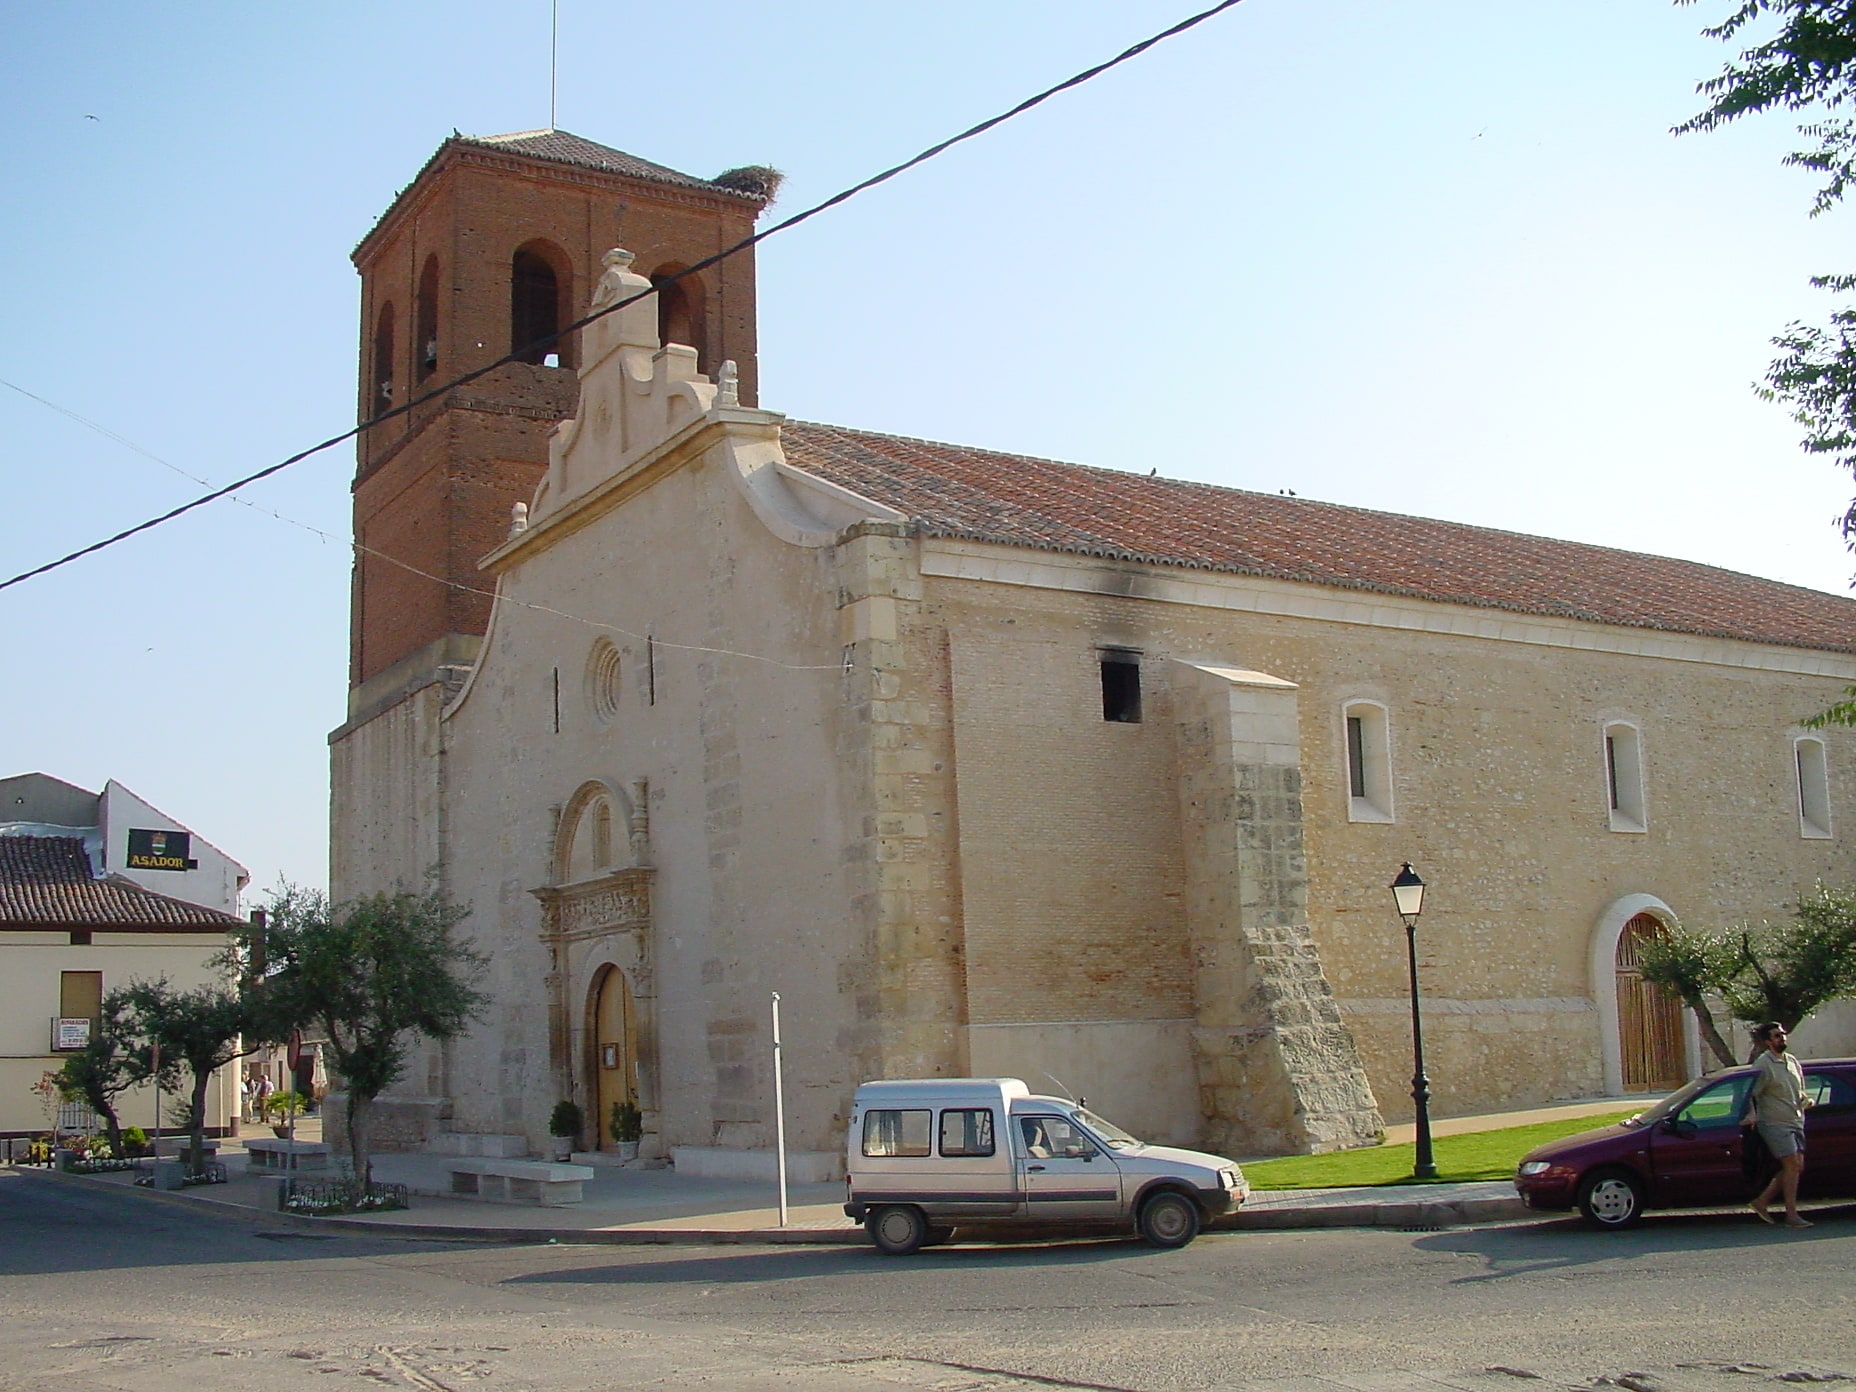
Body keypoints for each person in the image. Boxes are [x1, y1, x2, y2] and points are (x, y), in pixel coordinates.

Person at [1740, 1022, 1813, 1228]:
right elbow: (1751, 1094)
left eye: (1782, 1034)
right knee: (1791, 1165)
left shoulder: (1791, 1061)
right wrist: (1751, 1115)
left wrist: (1805, 1100)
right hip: (1774, 1123)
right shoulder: (1763, 1065)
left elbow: (1799, 1091)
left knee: (1797, 1167)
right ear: (1767, 1042)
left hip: (1796, 1120)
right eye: (1776, 1036)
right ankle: (1792, 1215)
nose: (1782, 1038)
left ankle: (1761, 1202)